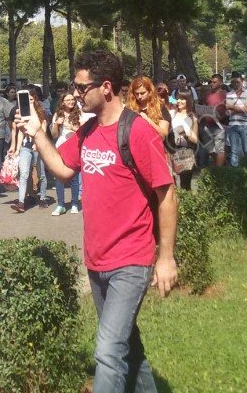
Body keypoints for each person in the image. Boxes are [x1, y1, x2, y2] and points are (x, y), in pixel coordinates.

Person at [16, 49, 177, 392]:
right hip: (96, 260)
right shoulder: (88, 132)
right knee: (127, 348)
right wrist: (38, 134)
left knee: (106, 352)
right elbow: (61, 171)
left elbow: (167, 194)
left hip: (131, 260)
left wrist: (166, 258)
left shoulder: (138, 132)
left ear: (105, 87)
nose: (75, 93)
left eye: (80, 86)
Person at [9, 91, 50, 213]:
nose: (29, 102)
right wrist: (17, 149)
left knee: (41, 174)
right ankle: (21, 202)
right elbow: (21, 132)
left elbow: (43, 130)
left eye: (31, 99)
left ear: (35, 100)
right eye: (27, 100)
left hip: (38, 147)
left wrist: (37, 144)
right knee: (24, 174)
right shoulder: (22, 114)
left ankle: (42, 198)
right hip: (25, 147)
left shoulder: (40, 114)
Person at [50, 93, 83, 213]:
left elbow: (83, 131)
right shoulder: (58, 115)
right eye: (68, 100)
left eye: (72, 99)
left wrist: (73, 128)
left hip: (75, 147)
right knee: (59, 177)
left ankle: (74, 203)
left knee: (74, 177)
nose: (71, 102)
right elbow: (54, 135)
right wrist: (56, 124)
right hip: (61, 147)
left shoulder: (79, 113)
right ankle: (61, 204)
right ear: (62, 102)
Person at [195, 75, 227, 168]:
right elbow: (203, 106)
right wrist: (201, 112)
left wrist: (222, 117)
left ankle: (219, 171)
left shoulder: (225, 94)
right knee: (210, 149)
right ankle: (218, 164)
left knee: (220, 149)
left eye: (214, 82)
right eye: (211, 82)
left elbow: (229, 109)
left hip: (220, 126)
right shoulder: (208, 94)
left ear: (220, 83)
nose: (212, 84)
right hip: (208, 125)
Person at [168, 92, 198, 190]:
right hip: (171, 150)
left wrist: (186, 132)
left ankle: (186, 204)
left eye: (183, 99)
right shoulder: (172, 114)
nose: (179, 101)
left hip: (186, 152)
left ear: (188, 101)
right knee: (171, 184)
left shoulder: (192, 117)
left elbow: (195, 139)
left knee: (185, 185)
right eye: (178, 98)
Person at [224, 74, 247, 166]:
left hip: (246, 124)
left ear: (242, 82)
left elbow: (246, 109)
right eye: (233, 82)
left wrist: (231, 107)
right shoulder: (229, 94)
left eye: (237, 82)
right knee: (234, 151)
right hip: (233, 124)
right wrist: (236, 108)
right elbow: (228, 111)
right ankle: (235, 172)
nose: (235, 84)